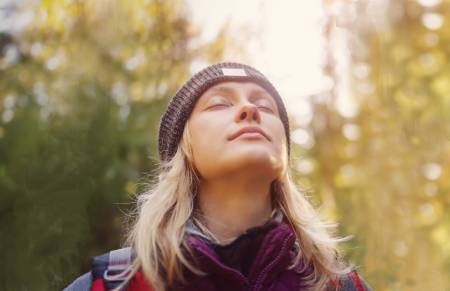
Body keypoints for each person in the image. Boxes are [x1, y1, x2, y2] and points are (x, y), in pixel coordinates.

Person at [64, 62, 372, 291]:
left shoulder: (340, 286)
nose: (250, 109)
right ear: (184, 150)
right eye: (220, 104)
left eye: (265, 106)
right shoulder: (111, 285)